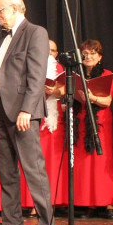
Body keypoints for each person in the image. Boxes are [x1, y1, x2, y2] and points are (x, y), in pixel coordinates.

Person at [0, 0, 56, 225]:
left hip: (22, 111)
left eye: (0, 10)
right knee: (6, 171)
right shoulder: (5, 38)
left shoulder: (35, 33)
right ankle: (12, 222)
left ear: (17, 9)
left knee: (33, 168)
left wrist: (27, 109)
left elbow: (36, 76)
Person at [72, 39, 113, 219]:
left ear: (100, 57)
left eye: (92, 53)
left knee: (102, 162)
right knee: (85, 164)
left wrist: (91, 97)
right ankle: (89, 204)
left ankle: (108, 204)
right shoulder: (77, 74)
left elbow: (107, 101)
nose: (88, 56)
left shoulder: (106, 74)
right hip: (82, 121)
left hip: (100, 122)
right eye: (85, 53)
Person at [41, 40, 67, 207]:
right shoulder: (33, 64)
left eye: (53, 50)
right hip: (34, 112)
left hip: (53, 114)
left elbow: (63, 90)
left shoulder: (59, 68)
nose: (49, 52)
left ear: (57, 53)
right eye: (46, 49)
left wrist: (54, 91)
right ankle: (33, 202)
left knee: (52, 158)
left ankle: (53, 201)